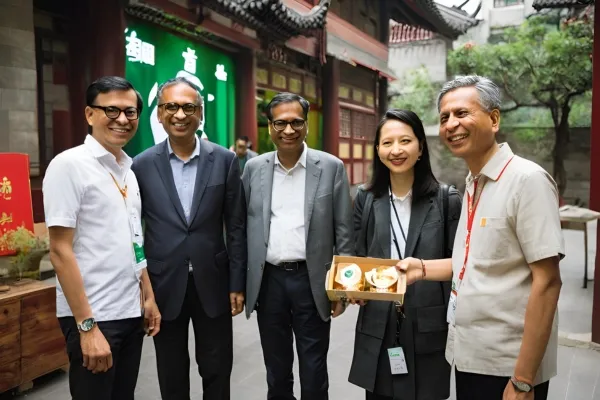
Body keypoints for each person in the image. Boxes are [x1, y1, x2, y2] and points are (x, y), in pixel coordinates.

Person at [398, 75, 564, 400]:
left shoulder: (526, 180)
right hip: (468, 355)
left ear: (494, 118)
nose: (451, 125)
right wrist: (420, 268)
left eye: (462, 113)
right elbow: (476, 262)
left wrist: (523, 380)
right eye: (444, 117)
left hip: (507, 367)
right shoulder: (474, 183)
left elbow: (548, 282)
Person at [43, 76, 161, 400]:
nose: (123, 119)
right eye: (112, 110)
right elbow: (59, 251)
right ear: (89, 114)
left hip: (129, 310)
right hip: (94, 316)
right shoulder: (69, 166)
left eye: (131, 112)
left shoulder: (128, 170)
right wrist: (86, 327)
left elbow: (135, 241)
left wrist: (147, 295)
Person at [131, 77, 246, 400]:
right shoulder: (141, 165)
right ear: (159, 113)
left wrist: (237, 282)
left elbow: (235, 226)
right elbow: (134, 229)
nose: (179, 114)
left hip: (214, 281)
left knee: (217, 367)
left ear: (200, 113)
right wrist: (142, 286)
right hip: (163, 282)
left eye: (188, 107)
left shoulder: (224, 160)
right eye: (171, 107)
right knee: (171, 371)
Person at [242, 92, 353, 400]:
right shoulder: (254, 169)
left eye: (295, 122)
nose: (288, 130)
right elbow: (242, 226)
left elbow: (343, 229)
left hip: (312, 280)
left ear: (306, 125)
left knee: (314, 370)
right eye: (280, 123)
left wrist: (340, 288)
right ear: (269, 126)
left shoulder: (330, 167)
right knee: (276, 370)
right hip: (270, 281)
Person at [348, 109, 462, 400]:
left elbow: (461, 263)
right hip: (379, 321)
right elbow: (358, 255)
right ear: (377, 150)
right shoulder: (365, 197)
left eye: (405, 141)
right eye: (387, 143)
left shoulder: (446, 199)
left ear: (420, 147)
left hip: (428, 323)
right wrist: (352, 287)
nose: (396, 150)